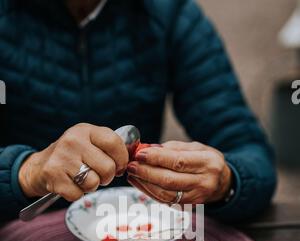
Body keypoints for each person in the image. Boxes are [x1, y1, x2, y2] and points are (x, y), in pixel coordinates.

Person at [0, 0, 276, 222]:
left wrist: (224, 181)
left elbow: (252, 155)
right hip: (19, 231)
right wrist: (26, 172)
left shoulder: (170, 13)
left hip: (140, 230)